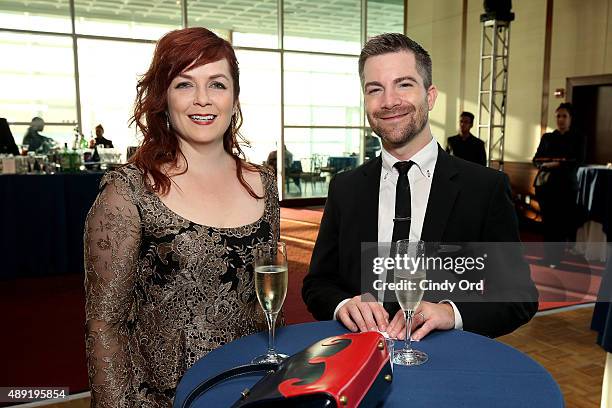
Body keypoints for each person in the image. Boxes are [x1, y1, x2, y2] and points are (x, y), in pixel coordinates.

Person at [84, 27, 280, 407]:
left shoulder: (264, 184)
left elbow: (265, 305)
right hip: (164, 399)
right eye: (185, 84)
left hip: (250, 391)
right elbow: (104, 326)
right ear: (163, 98)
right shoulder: (128, 191)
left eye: (218, 85)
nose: (203, 100)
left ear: (235, 97)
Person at [302, 33, 537, 341]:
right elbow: (318, 283)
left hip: (446, 367)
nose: (389, 101)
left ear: (430, 96)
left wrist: (450, 312)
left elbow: (519, 296)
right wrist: (344, 304)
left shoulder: (485, 188)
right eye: (375, 89)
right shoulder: (345, 188)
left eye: (404, 84)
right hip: (359, 361)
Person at [533, 102, 585, 267]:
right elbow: (536, 159)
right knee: (548, 223)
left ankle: (557, 258)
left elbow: (577, 161)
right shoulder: (548, 137)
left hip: (565, 186)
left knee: (561, 224)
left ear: (570, 118)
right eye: (558, 116)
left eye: (564, 116)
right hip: (545, 185)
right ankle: (548, 257)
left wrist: (555, 163)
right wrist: (550, 163)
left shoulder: (578, 138)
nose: (561, 119)